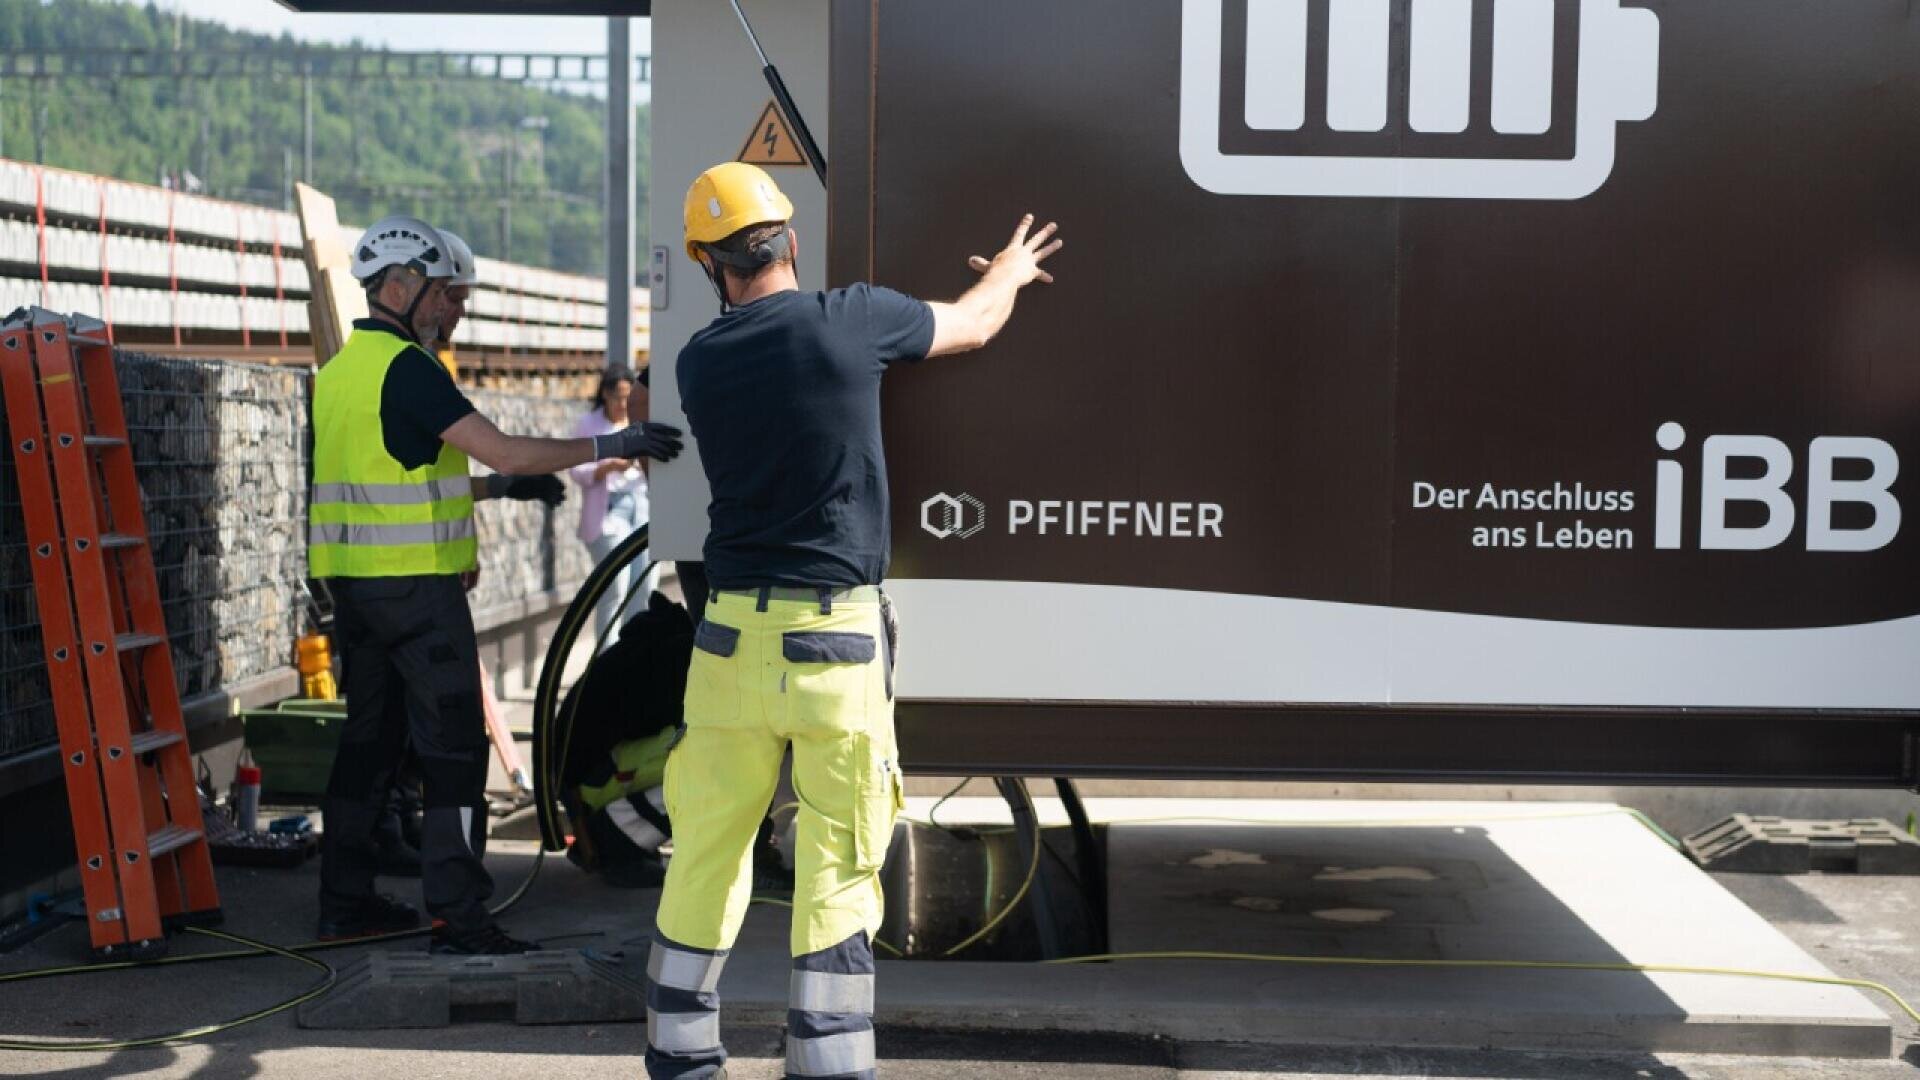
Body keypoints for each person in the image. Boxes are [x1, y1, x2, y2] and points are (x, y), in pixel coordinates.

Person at [643, 162, 1061, 1079]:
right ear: (789, 239)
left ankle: (680, 1059)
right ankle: (827, 1066)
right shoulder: (855, 320)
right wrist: (1013, 270)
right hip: (832, 645)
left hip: (723, 644)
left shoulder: (699, 362)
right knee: (836, 864)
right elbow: (977, 322)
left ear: (709, 263)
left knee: (705, 854)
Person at [310, 213, 684, 955]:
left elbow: (400, 477)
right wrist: (620, 441)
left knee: (370, 747)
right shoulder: (410, 370)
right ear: (400, 285)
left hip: (357, 592)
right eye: (447, 294)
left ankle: (343, 902)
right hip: (418, 597)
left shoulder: (339, 372)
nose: (457, 308)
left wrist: (494, 495)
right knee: (453, 752)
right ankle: (459, 914)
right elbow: (506, 446)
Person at [570, 364, 660, 647]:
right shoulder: (589, 424)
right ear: (605, 395)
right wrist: (609, 466)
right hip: (608, 512)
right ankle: (606, 658)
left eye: (627, 397)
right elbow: (577, 471)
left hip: (642, 507)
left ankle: (634, 655)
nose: (622, 404)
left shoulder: (642, 417)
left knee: (644, 588)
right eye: (617, 397)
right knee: (615, 587)